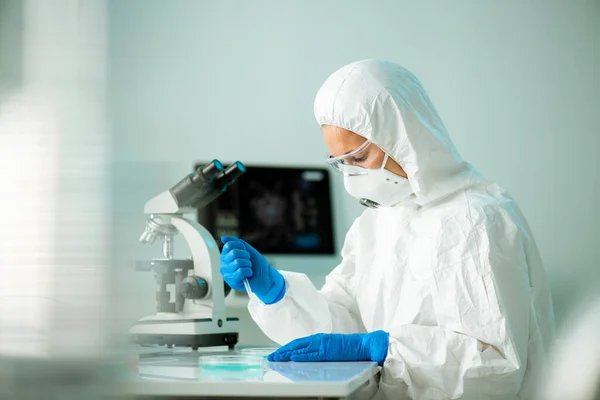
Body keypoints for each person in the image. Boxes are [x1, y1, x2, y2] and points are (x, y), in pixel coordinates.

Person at [219, 59, 555, 399]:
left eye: (359, 158)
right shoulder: (374, 226)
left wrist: (382, 346)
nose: (351, 177)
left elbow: (496, 366)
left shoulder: (478, 219)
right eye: (342, 163)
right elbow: (339, 330)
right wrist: (277, 292)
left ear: (402, 137)